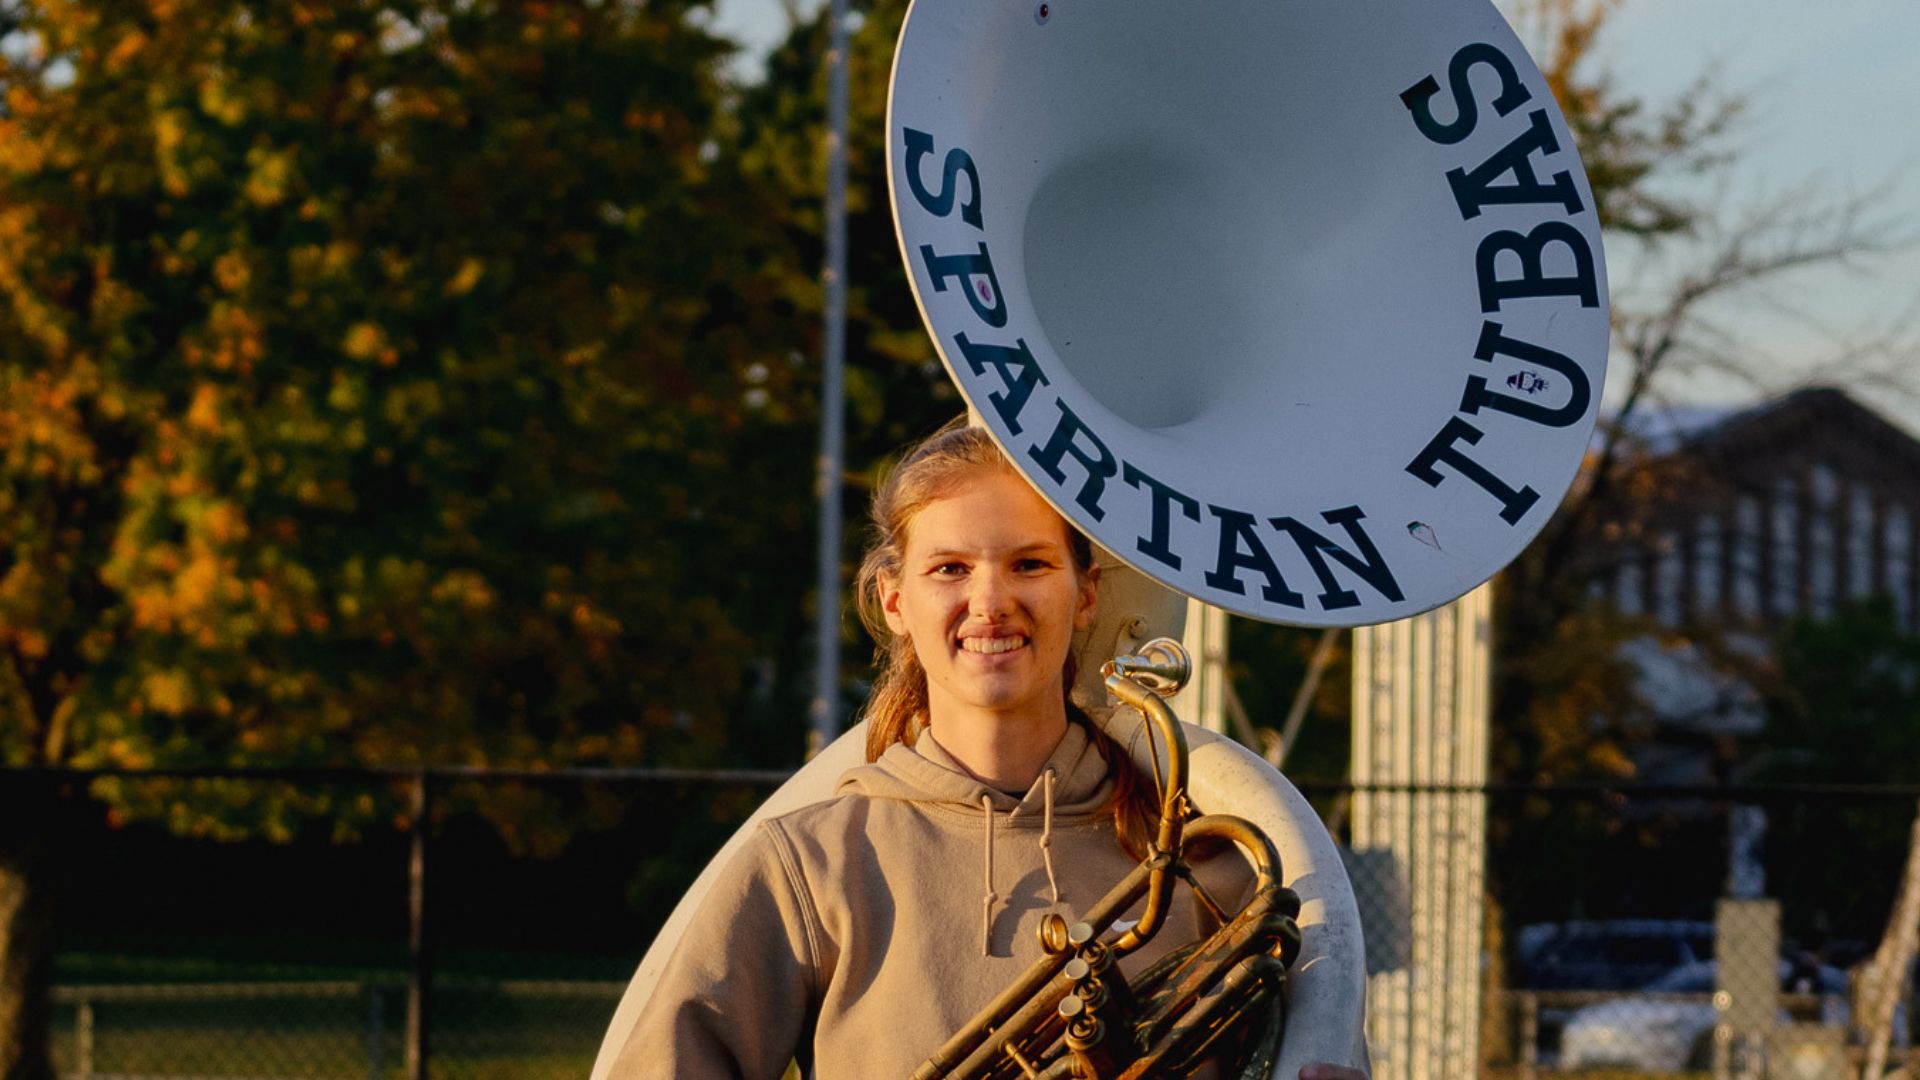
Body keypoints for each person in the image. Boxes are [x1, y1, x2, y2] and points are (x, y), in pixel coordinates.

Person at [602, 421, 1366, 1079]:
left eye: (1029, 564)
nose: (991, 601)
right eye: (950, 570)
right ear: (896, 602)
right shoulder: (811, 864)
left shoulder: (1203, 870)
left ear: (1087, 592)